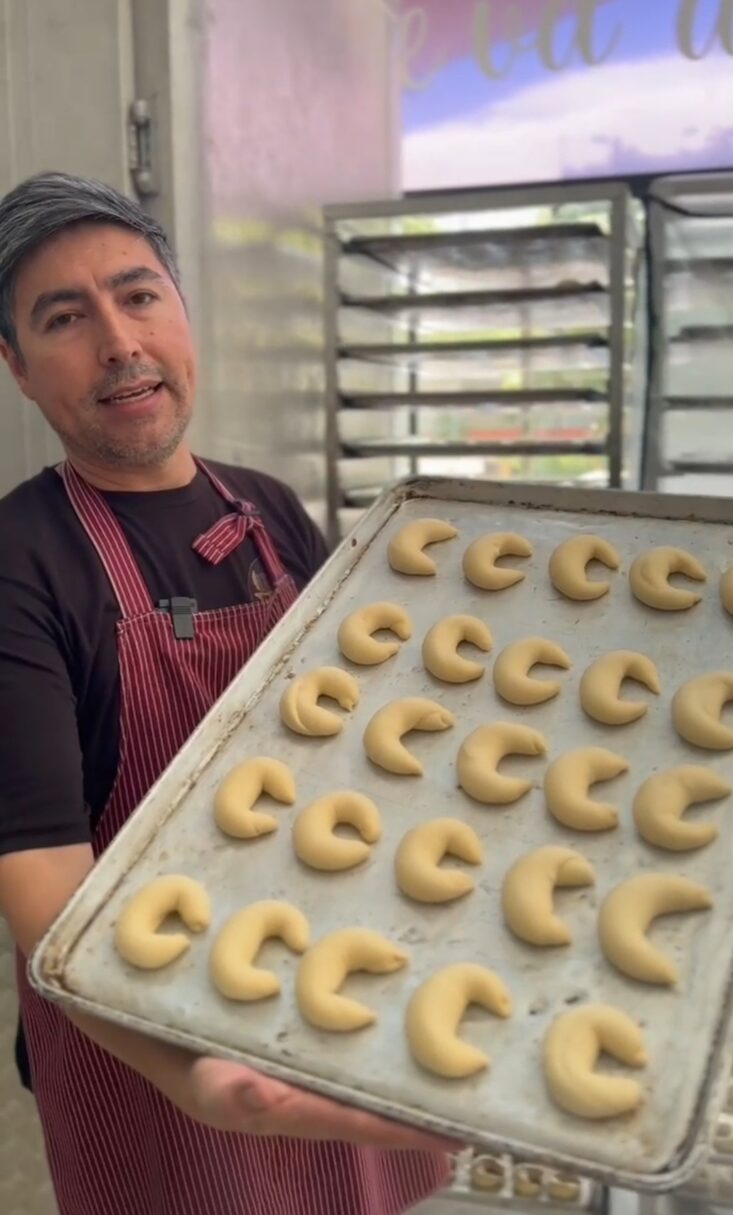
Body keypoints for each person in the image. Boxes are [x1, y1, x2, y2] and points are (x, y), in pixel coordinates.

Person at [0, 172, 452, 1215]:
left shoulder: (267, 508)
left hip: (326, 975)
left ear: (181, 311)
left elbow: (365, 737)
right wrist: (191, 1072)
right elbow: (42, 888)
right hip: (147, 1041)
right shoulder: (23, 560)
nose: (119, 341)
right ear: (17, 367)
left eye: (139, 294)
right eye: (66, 318)